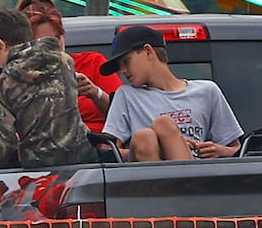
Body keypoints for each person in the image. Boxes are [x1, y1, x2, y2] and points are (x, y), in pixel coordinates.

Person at [99, 25, 243, 161]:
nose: (123, 71)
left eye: (126, 61)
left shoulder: (207, 91)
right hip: (151, 175)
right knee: (147, 135)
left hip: (200, 172)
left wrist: (220, 151)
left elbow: (237, 149)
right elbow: (108, 150)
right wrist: (154, 149)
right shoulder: (126, 95)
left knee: (164, 124)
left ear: (148, 51)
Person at [0, 8, 98, 170]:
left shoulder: (2, 85)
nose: (0, 64)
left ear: (1, 44)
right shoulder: (65, 62)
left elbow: (2, 146)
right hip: (86, 163)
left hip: (40, 171)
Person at [16, 0, 119, 129]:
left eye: (56, 39)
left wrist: (95, 93)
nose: (53, 47)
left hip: (104, 145)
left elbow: (124, 117)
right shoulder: (19, 81)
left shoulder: (92, 62)